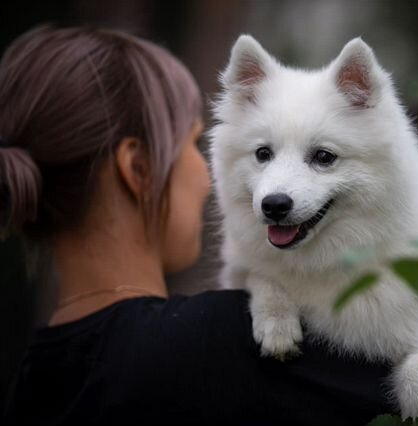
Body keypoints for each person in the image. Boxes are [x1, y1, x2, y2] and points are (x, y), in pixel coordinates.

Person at [0, 26, 394, 425]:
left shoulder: (30, 380)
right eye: (192, 143)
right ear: (138, 169)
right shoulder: (223, 340)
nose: (207, 178)